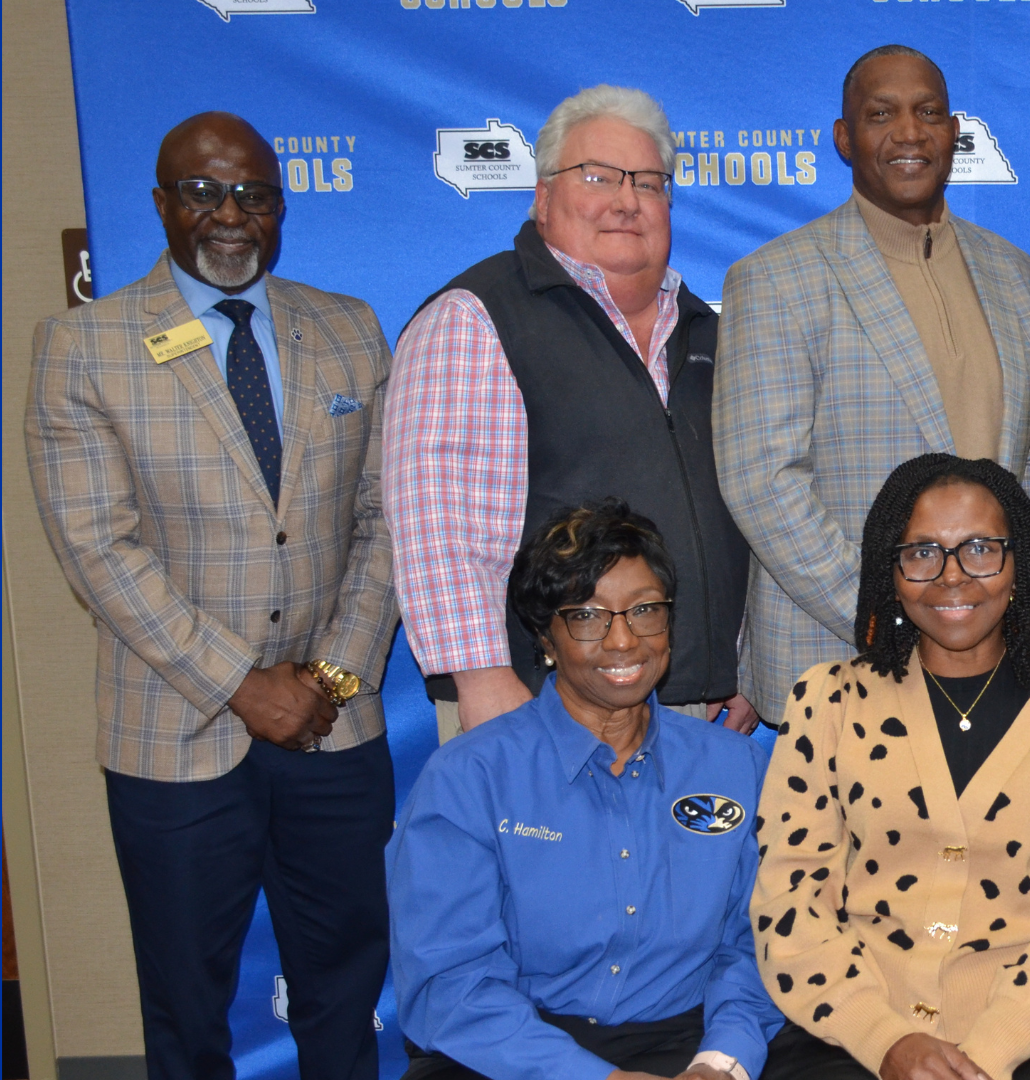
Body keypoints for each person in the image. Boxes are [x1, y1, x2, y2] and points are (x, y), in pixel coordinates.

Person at [24, 112, 398, 1079]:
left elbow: (387, 518)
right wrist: (244, 683)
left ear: (281, 208)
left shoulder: (349, 328)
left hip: (332, 727)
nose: (230, 215)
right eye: (202, 192)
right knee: (187, 1013)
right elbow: (99, 552)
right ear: (160, 203)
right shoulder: (84, 346)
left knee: (347, 994)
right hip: (174, 737)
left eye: (255, 195)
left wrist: (327, 674)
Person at [751, 455, 1030, 1080]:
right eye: (922, 553)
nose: (952, 576)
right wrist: (885, 1039)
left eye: (980, 550)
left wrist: (984, 1056)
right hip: (856, 1027)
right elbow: (791, 903)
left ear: (1020, 564)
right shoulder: (826, 703)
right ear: (893, 573)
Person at [388, 84, 756, 736]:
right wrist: (482, 677)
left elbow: (743, 513)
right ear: (543, 196)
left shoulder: (707, 332)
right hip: (535, 700)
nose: (625, 199)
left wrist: (742, 661)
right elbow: (435, 521)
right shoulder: (478, 316)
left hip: (689, 703)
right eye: (597, 176)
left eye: (647, 181)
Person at [389, 500, 786, 1080]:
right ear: (545, 635)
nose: (623, 641)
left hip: (694, 1035)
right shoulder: (468, 778)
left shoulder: (732, 766)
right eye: (588, 616)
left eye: (645, 611)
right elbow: (451, 982)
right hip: (521, 1044)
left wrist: (722, 1061)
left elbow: (759, 944)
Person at [716, 45, 1030, 722]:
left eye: (928, 112)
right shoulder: (776, 277)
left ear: (954, 132)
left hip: (993, 658)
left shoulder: (1016, 274)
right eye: (881, 113)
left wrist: (999, 610)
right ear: (845, 137)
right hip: (842, 659)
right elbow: (763, 480)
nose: (908, 132)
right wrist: (898, 612)